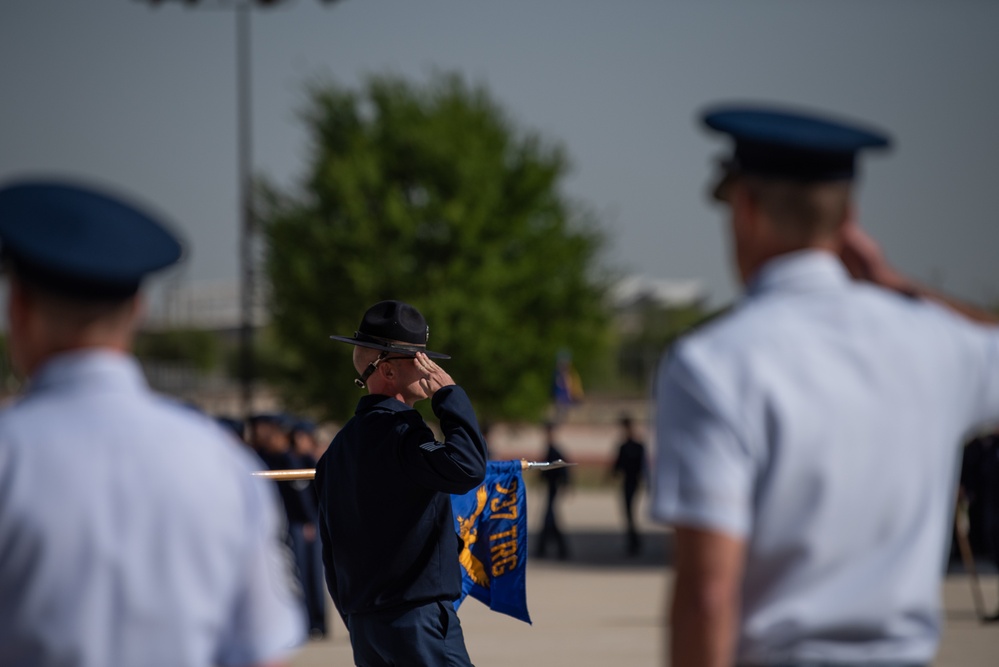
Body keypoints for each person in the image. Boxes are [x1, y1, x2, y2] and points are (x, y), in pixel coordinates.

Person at [650, 105, 999, 667]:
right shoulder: (938, 345)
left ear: (746, 208)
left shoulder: (714, 363)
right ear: (849, 217)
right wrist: (898, 284)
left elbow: (708, 595)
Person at [0, 179, 304, 666]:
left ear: (20, 309)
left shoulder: (10, 457)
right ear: (137, 310)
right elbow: (262, 652)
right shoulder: (218, 461)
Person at [315, 300, 487, 667]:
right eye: (418, 360)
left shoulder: (339, 446)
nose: (430, 368)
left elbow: (331, 548)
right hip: (415, 619)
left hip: (366, 622)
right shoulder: (402, 434)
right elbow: (468, 467)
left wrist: (356, 613)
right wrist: (450, 396)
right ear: (388, 371)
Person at [609, 414, 648, 556]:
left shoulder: (637, 446)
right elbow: (617, 465)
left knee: (630, 512)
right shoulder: (625, 446)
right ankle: (633, 540)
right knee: (627, 512)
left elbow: (643, 467)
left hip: (633, 482)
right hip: (627, 481)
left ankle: (634, 541)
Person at [535, 420, 571, 560]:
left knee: (549, 518)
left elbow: (563, 470)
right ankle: (555, 548)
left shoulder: (555, 451)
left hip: (554, 487)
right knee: (550, 518)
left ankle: (545, 548)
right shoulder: (549, 449)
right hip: (550, 487)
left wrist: (566, 485)